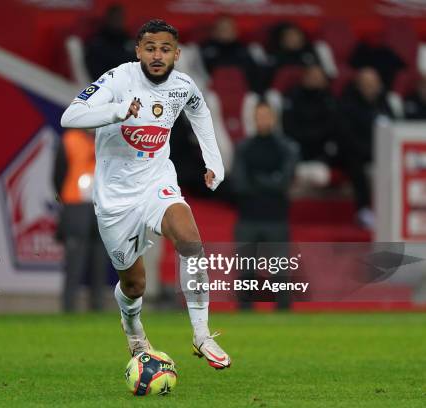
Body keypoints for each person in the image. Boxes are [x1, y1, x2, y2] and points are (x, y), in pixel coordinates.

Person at [61, 19, 230, 370]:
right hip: (115, 197)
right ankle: (133, 325)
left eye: (165, 49)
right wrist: (117, 111)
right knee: (135, 285)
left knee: (190, 240)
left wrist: (214, 162)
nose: (157, 55)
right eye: (150, 48)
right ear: (138, 51)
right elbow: (70, 116)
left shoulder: (183, 85)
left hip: (156, 183)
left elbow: (200, 112)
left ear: (176, 54)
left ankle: (201, 334)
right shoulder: (118, 79)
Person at [232, 102, 299, 310]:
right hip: (248, 217)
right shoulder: (243, 147)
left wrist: (257, 180)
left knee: (280, 270)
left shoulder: (286, 147)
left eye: (266, 116)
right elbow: (239, 183)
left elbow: (284, 181)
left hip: (276, 217)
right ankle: (245, 313)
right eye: (259, 116)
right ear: (254, 118)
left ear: (273, 118)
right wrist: (271, 180)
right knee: (245, 270)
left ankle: (284, 312)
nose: (263, 120)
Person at [53, 128, 108, 312]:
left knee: (100, 259)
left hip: (102, 205)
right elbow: (58, 175)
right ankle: (68, 307)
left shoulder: (109, 137)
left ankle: (98, 307)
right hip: (76, 205)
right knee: (75, 259)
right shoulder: (70, 139)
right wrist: (66, 201)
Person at [339, 68, 394, 228]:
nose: (370, 87)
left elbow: (394, 126)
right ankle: (363, 210)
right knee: (356, 163)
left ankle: (390, 210)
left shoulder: (384, 103)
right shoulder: (348, 104)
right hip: (356, 151)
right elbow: (346, 135)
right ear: (358, 85)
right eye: (366, 83)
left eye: (374, 83)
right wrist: (371, 150)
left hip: (381, 151)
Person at [282, 65, 340, 162]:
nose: (315, 80)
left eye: (318, 77)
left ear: (324, 80)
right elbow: (288, 124)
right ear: (304, 77)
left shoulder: (329, 99)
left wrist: (317, 137)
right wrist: (305, 137)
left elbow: (332, 124)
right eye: (312, 76)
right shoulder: (293, 95)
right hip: (298, 143)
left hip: (321, 145)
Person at [199, 16, 262, 91]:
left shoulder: (245, 50)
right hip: (211, 91)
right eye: (222, 29)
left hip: (242, 91)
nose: (225, 32)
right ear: (214, 31)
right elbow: (200, 72)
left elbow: (253, 74)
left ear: (236, 31)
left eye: (229, 28)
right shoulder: (204, 50)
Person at [84, 4, 135, 79]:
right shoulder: (97, 42)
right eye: (114, 18)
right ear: (108, 19)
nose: (117, 21)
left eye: (119, 18)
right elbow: (95, 69)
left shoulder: (129, 40)